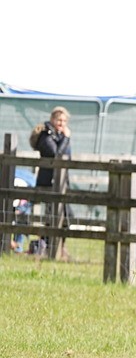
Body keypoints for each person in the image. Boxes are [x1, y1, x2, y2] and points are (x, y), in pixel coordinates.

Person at [30, 106, 72, 256]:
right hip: (49, 183)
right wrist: (66, 138)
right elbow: (56, 155)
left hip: (61, 184)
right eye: (59, 119)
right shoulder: (46, 136)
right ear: (53, 119)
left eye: (64, 120)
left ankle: (57, 247)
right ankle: (47, 247)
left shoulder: (60, 136)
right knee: (53, 217)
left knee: (65, 217)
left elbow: (68, 158)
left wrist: (65, 138)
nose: (62, 123)